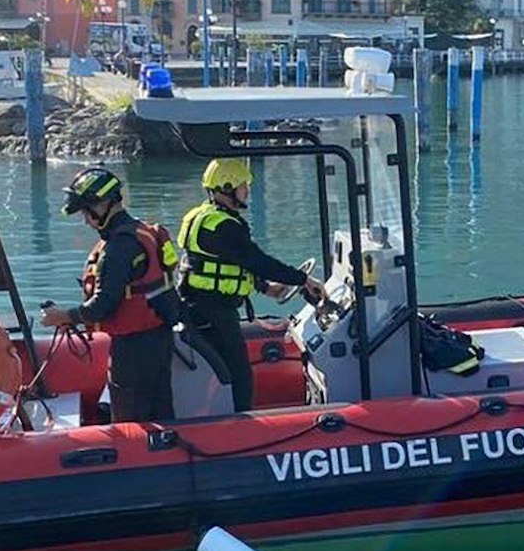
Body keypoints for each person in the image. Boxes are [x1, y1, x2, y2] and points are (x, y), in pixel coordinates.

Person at [177, 158, 327, 411]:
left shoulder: (203, 217)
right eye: (242, 185)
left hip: (199, 306)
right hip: (215, 311)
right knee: (240, 373)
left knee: (229, 368)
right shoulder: (224, 226)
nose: (246, 190)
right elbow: (257, 261)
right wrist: (303, 279)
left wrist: (266, 288)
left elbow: (231, 262)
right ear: (226, 188)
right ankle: (242, 424)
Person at [39, 167, 182, 423]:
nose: (86, 220)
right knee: (161, 410)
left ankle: (135, 459)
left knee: (131, 418)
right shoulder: (141, 232)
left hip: (133, 349)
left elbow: (101, 307)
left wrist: (61, 317)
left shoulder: (119, 248)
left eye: (87, 212)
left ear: (104, 203)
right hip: (157, 339)